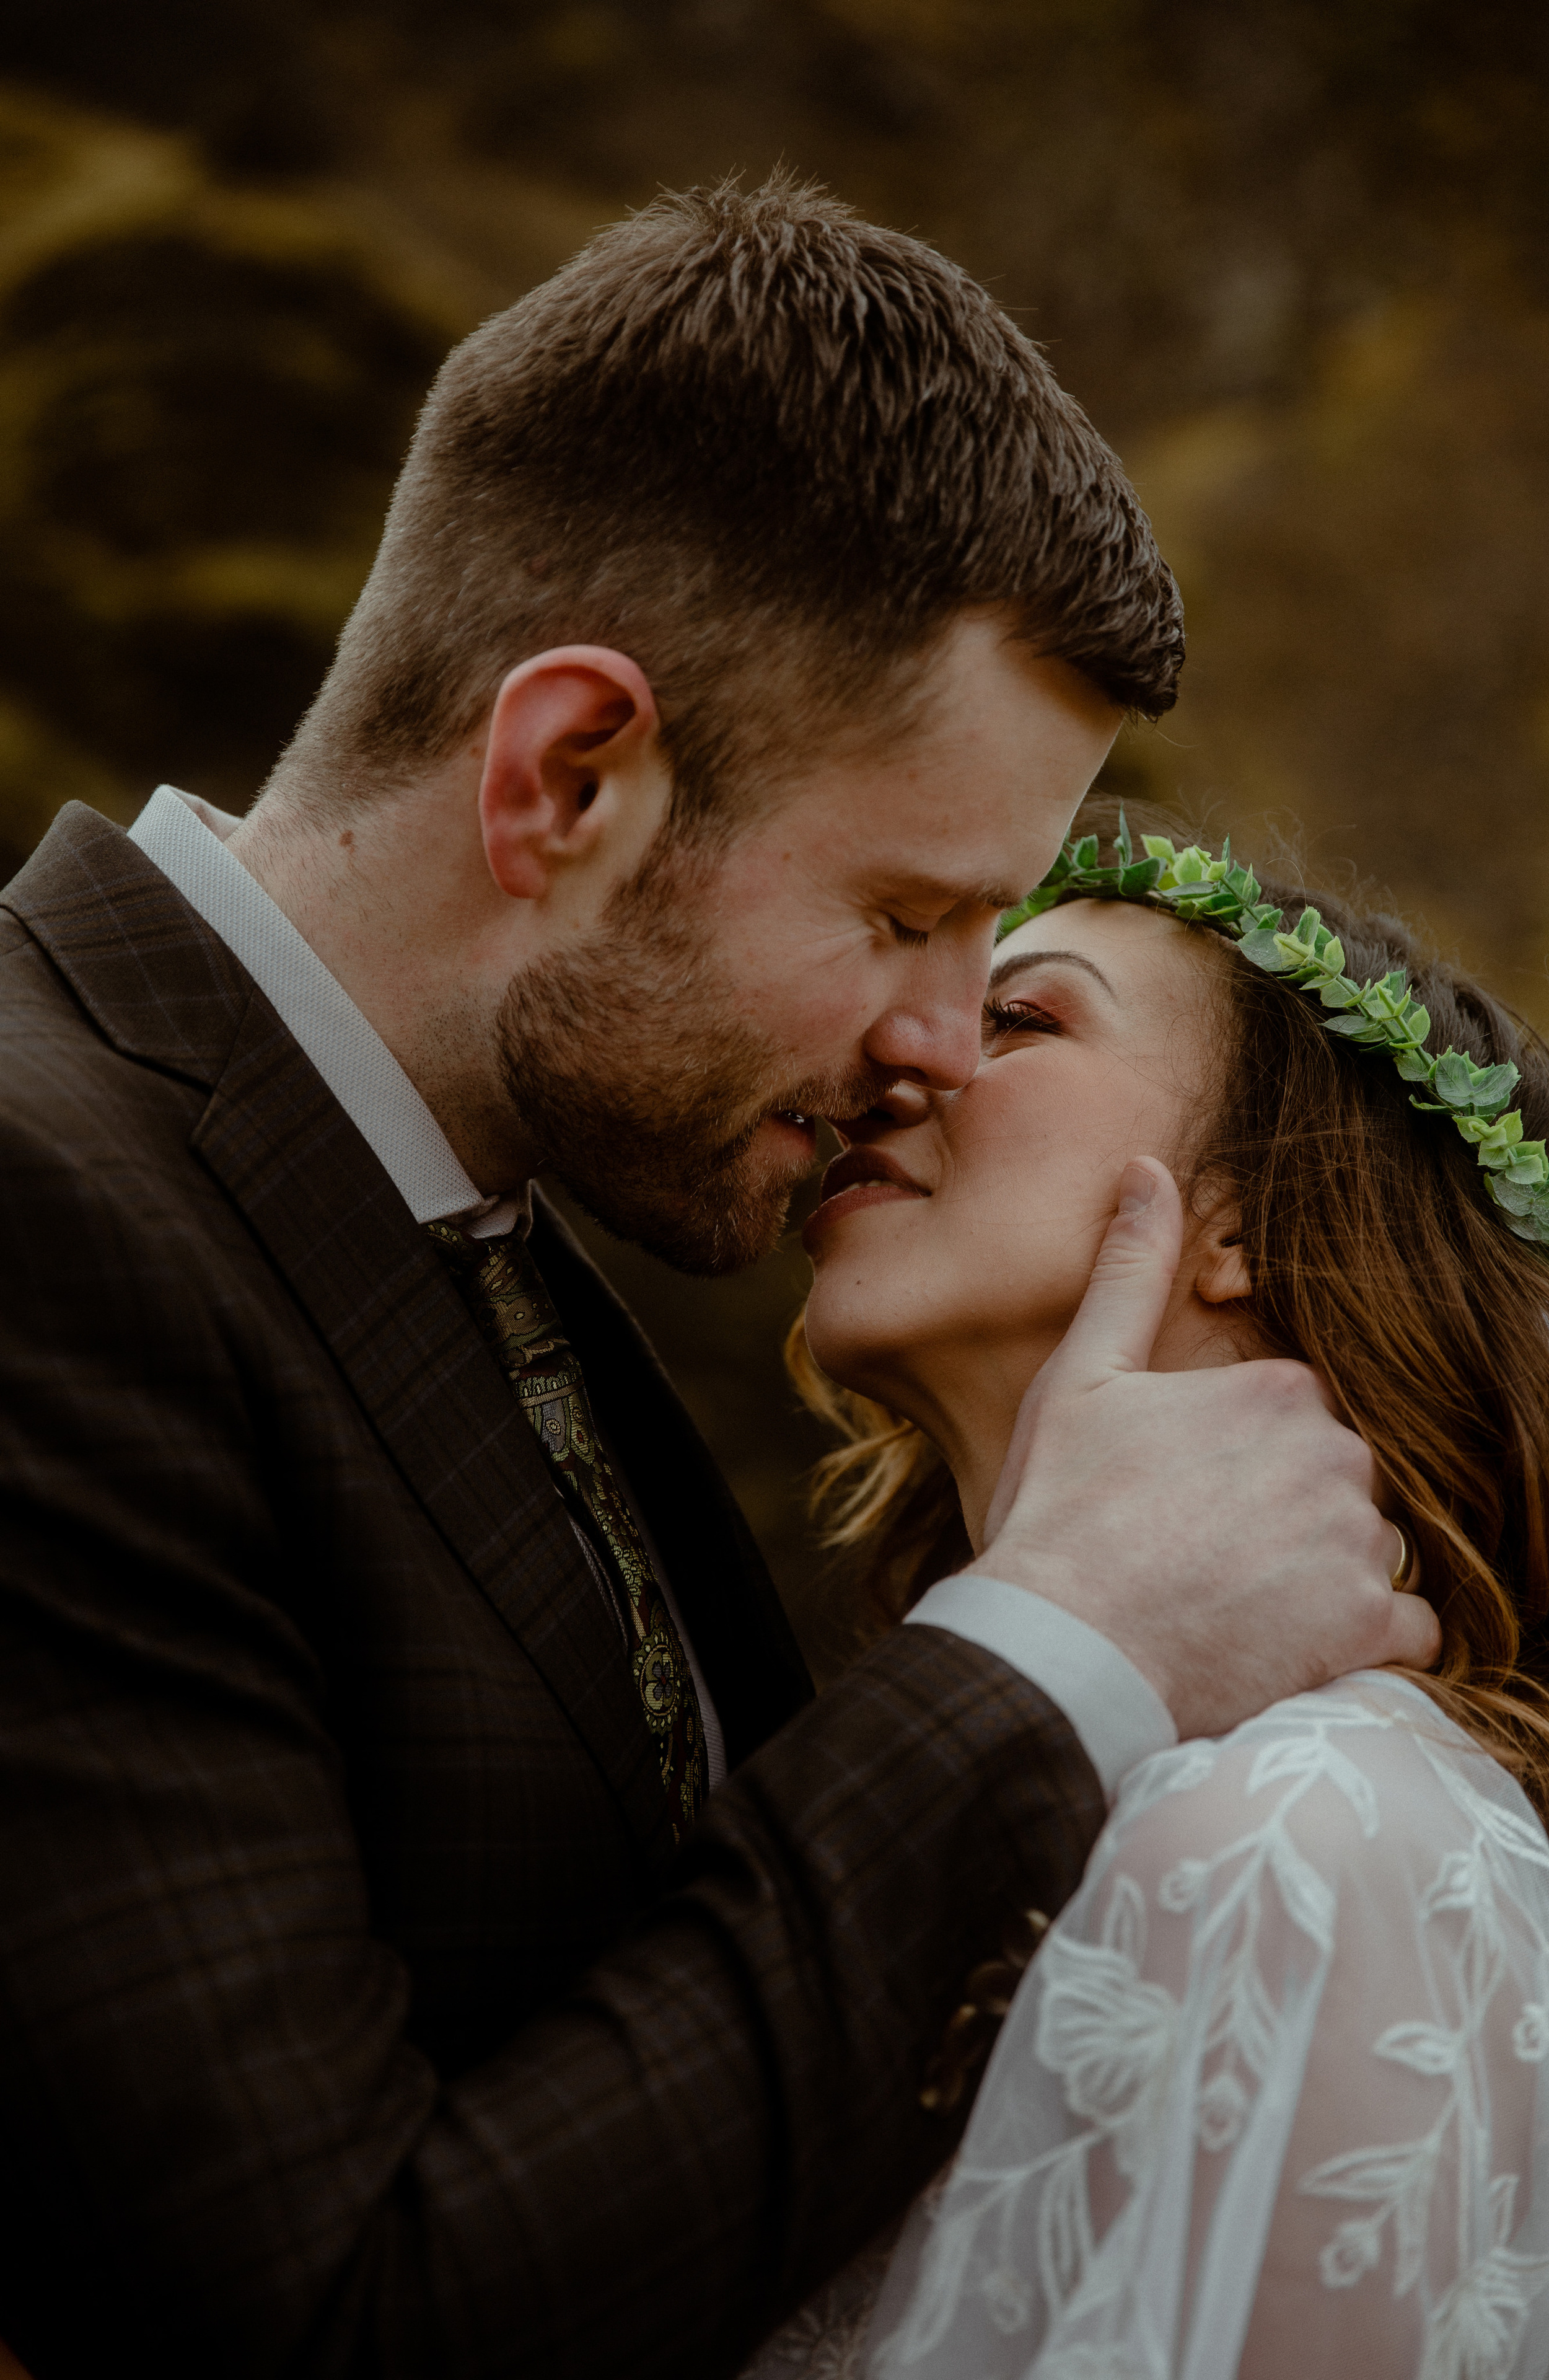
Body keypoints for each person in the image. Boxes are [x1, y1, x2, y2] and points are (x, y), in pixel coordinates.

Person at [0, 180, 1433, 2380]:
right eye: (902, 914)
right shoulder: (44, 1206)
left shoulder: (474, 1232)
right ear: (571, 774)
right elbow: (328, 2317)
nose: (945, 1036)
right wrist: (1066, 1657)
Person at [755, 806, 1549, 2378]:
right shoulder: (1019, 1792)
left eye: (1018, 1015)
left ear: (1243, 1223)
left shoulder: (1295, 1833)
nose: (900, 1054)